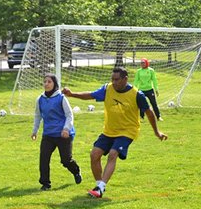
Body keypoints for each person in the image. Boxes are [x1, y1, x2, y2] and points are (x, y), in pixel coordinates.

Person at [62, 67, 168, 198]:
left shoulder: (137, 95)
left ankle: (100, 188)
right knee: (94, 154)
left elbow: (149, 113)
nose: (114, 82)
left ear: (125, 79)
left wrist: (157, 132)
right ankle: (99, 186)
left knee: (113, 154)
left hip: (128, 131)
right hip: (109, 130)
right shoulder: (108, 89)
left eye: (117, 79)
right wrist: (72, 94)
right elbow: (90, 95)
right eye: (112, 79)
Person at [31, 73, 82, 191]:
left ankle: (76, 171)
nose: (46, 84)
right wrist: (35, 131)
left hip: (63, 134)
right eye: (45, 81)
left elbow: (69, 115)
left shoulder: (61, 98)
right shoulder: (40, 99)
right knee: (44, 158)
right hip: (48, 134)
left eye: (49, 82)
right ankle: (45, 184)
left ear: (55, 84)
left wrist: (66, 129)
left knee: (66, 160)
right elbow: (38, 116)